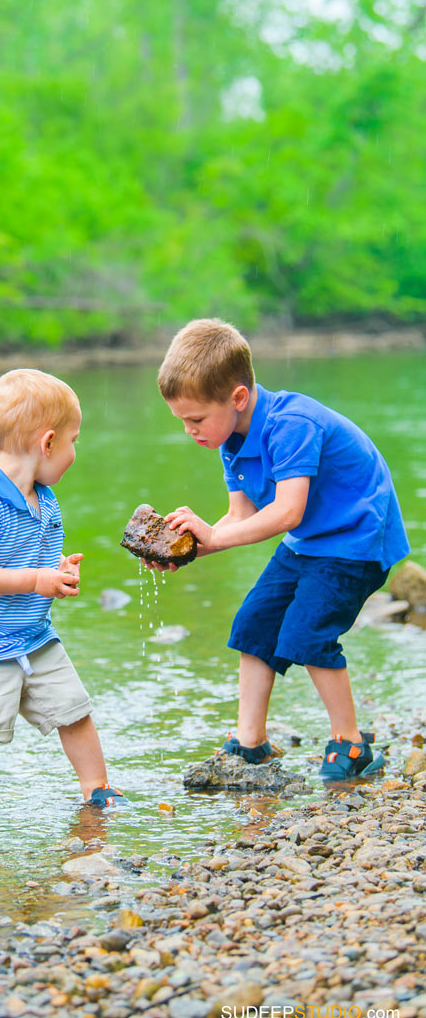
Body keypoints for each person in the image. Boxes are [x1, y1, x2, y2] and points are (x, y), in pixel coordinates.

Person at [152, 318, 410, 781]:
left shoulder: (291, 424)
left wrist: (212, 536)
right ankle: (250, 743)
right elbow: (240, 518)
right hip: (311, 541)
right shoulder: (230, 439)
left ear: (237, 398)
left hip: (356, 539)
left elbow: (287, 512)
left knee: (307, 635)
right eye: (182, 421)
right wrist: (189, 548)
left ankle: (351, 744)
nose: (190, 430)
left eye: (195, 419)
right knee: (254, 625)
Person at [0, 368, 125, 815]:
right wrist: (36, 580)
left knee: (74, 712)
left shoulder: (45, 498)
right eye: (73, 440)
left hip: (34, 637)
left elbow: (33, 565)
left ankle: (97, 789)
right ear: (47, 443)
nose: (75, 451)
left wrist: (55, 574)